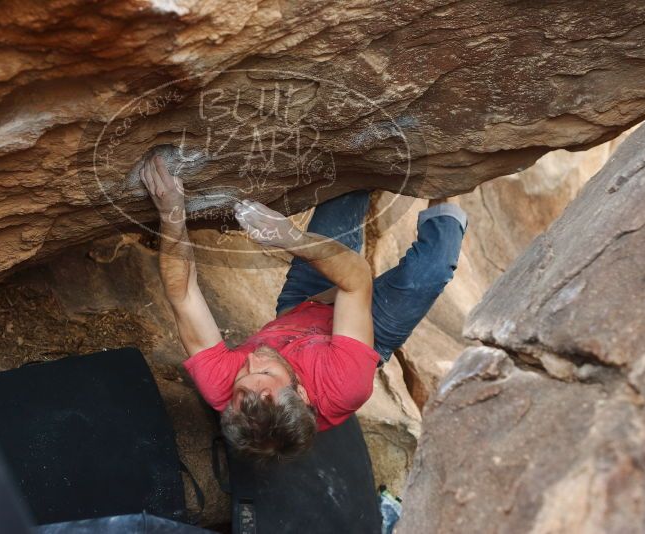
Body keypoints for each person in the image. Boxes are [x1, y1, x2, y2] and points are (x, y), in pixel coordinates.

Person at [139, 155, 467, 462]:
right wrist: (290, 237)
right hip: (370, 327)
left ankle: (378, 169)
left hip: (302, 309)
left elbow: (182, 295)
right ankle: (445, 179)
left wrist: (171, 213)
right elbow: (355, 279)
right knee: (433, 267)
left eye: (243, 376)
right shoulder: (344, 384)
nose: (250, 358)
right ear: (302, 394)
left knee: (347, 185)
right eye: (265, 372)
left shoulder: (226, 391)